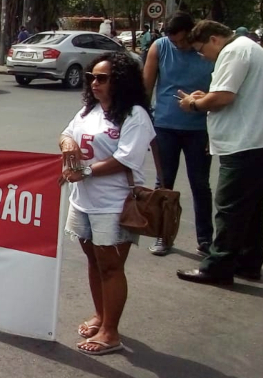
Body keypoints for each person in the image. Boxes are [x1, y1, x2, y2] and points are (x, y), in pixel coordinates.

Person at [59, 52, 154, 355]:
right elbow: (66, 134)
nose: (94, 83)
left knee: (111, 267)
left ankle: (111, 333)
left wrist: (83, 170)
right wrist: (68, 143)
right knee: (93, 261)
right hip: (84, 201)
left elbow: (126, 158)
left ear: (120, 81)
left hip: (115, 203)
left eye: (102, 78)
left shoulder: (134, 115)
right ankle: (101, 316)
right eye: (92, 78)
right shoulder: (89, 110)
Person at [176, 20, 263, 285]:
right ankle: (248, 262)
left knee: (228, 207)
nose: (203, 56)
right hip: (254, 140)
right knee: (250, 209)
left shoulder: (233, 51)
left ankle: (218, 266)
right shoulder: (250, 48)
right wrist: (206, 96)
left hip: (243, 142)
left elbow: (223, 97)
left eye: (202, 49)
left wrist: (194, 103)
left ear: (215, 39)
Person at [143, 11, 215, 256]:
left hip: (199, 130)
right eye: (174, 41)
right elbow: (147, 86)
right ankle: (163, 236)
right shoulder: (160, 47)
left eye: (182, 40)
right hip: (165, 127)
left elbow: (219, 90)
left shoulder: (207, 52)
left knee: (200, 185)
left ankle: (205, 240)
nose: (178, 45)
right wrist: (142, 123)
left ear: (192, 32)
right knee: (163, 185)